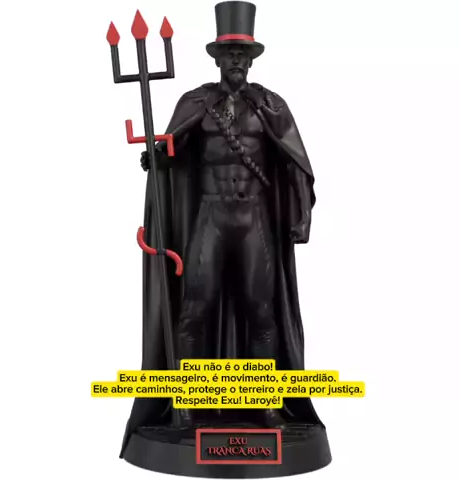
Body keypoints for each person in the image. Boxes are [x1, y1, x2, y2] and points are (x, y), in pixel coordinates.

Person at [121, 1, 325, 449]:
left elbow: (296, 164)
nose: (236, 60)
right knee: (195, 309)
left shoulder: (270, 105)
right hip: (209, 218)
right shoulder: (197, 103)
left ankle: (266, 404)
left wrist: (301, 215)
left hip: (254, 220)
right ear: (217, 58)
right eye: (230, 53)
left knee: (262, 313)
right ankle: (187, 404)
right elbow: (173, 151)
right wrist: (155, 158)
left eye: (242, 54)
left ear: (251, 60)